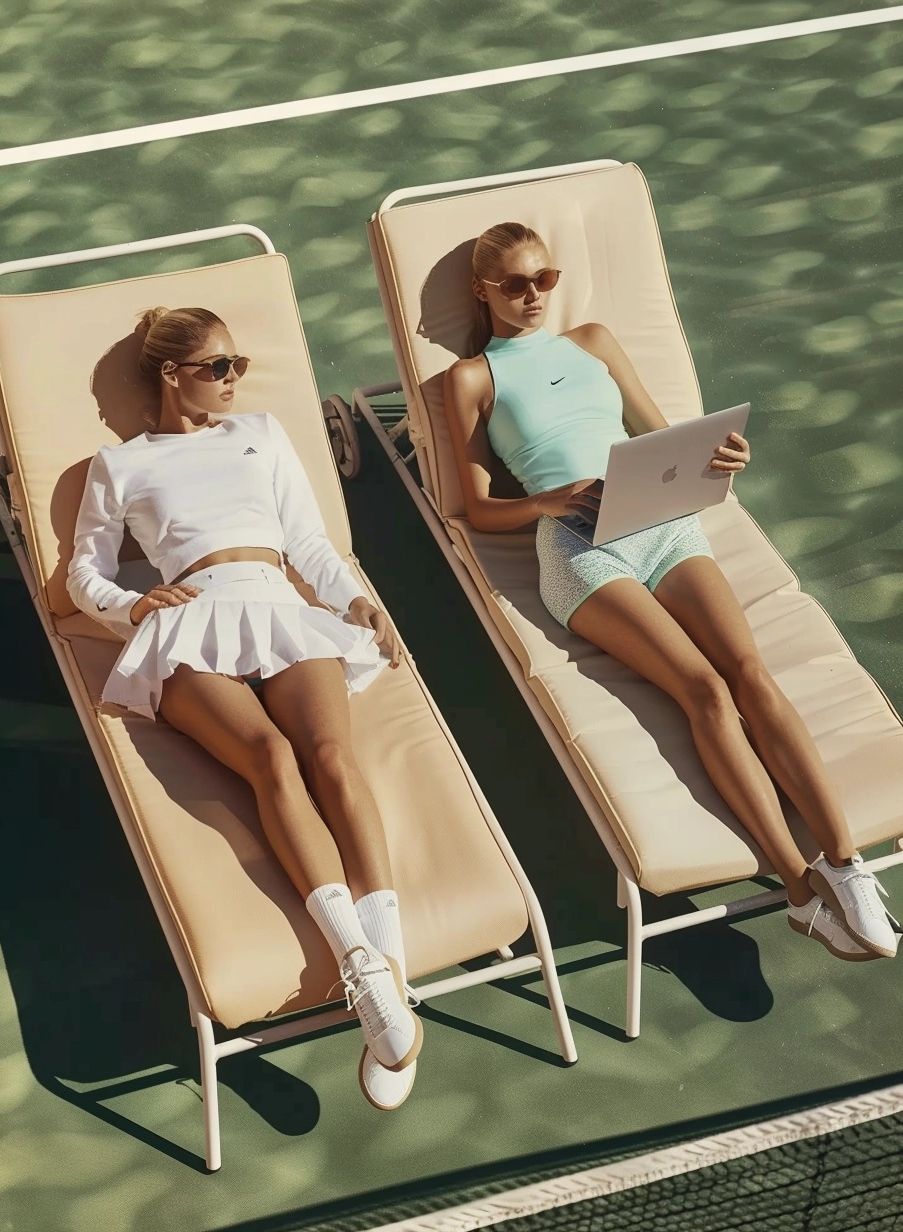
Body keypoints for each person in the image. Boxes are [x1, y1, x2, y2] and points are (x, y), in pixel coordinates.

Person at [444, 222, 899, 964]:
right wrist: (547, 502)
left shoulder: (591, 340)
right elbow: (472, 508)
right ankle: (798, 889)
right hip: (579, 551)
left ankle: (846, 868)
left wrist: (721, 455)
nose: (534, 297)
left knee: (750, 674)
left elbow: (660, 434)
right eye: (517, 285)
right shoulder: (471, 379)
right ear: (483, 290)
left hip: (662, 524)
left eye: (544, 280)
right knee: (706, 691)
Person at [69, 306, 421, 1111]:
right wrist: (132, 607)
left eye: (238, 364)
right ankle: (363, 968)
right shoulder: (119, 464)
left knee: (332, 759)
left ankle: (383, 971)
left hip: (276, 601)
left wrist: (360, 603)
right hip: (189, 620)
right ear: (172, 375)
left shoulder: (260, 431)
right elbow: (82, 575)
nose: (235, 379)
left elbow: (311, 544)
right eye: (219, 367)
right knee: (270, 758)